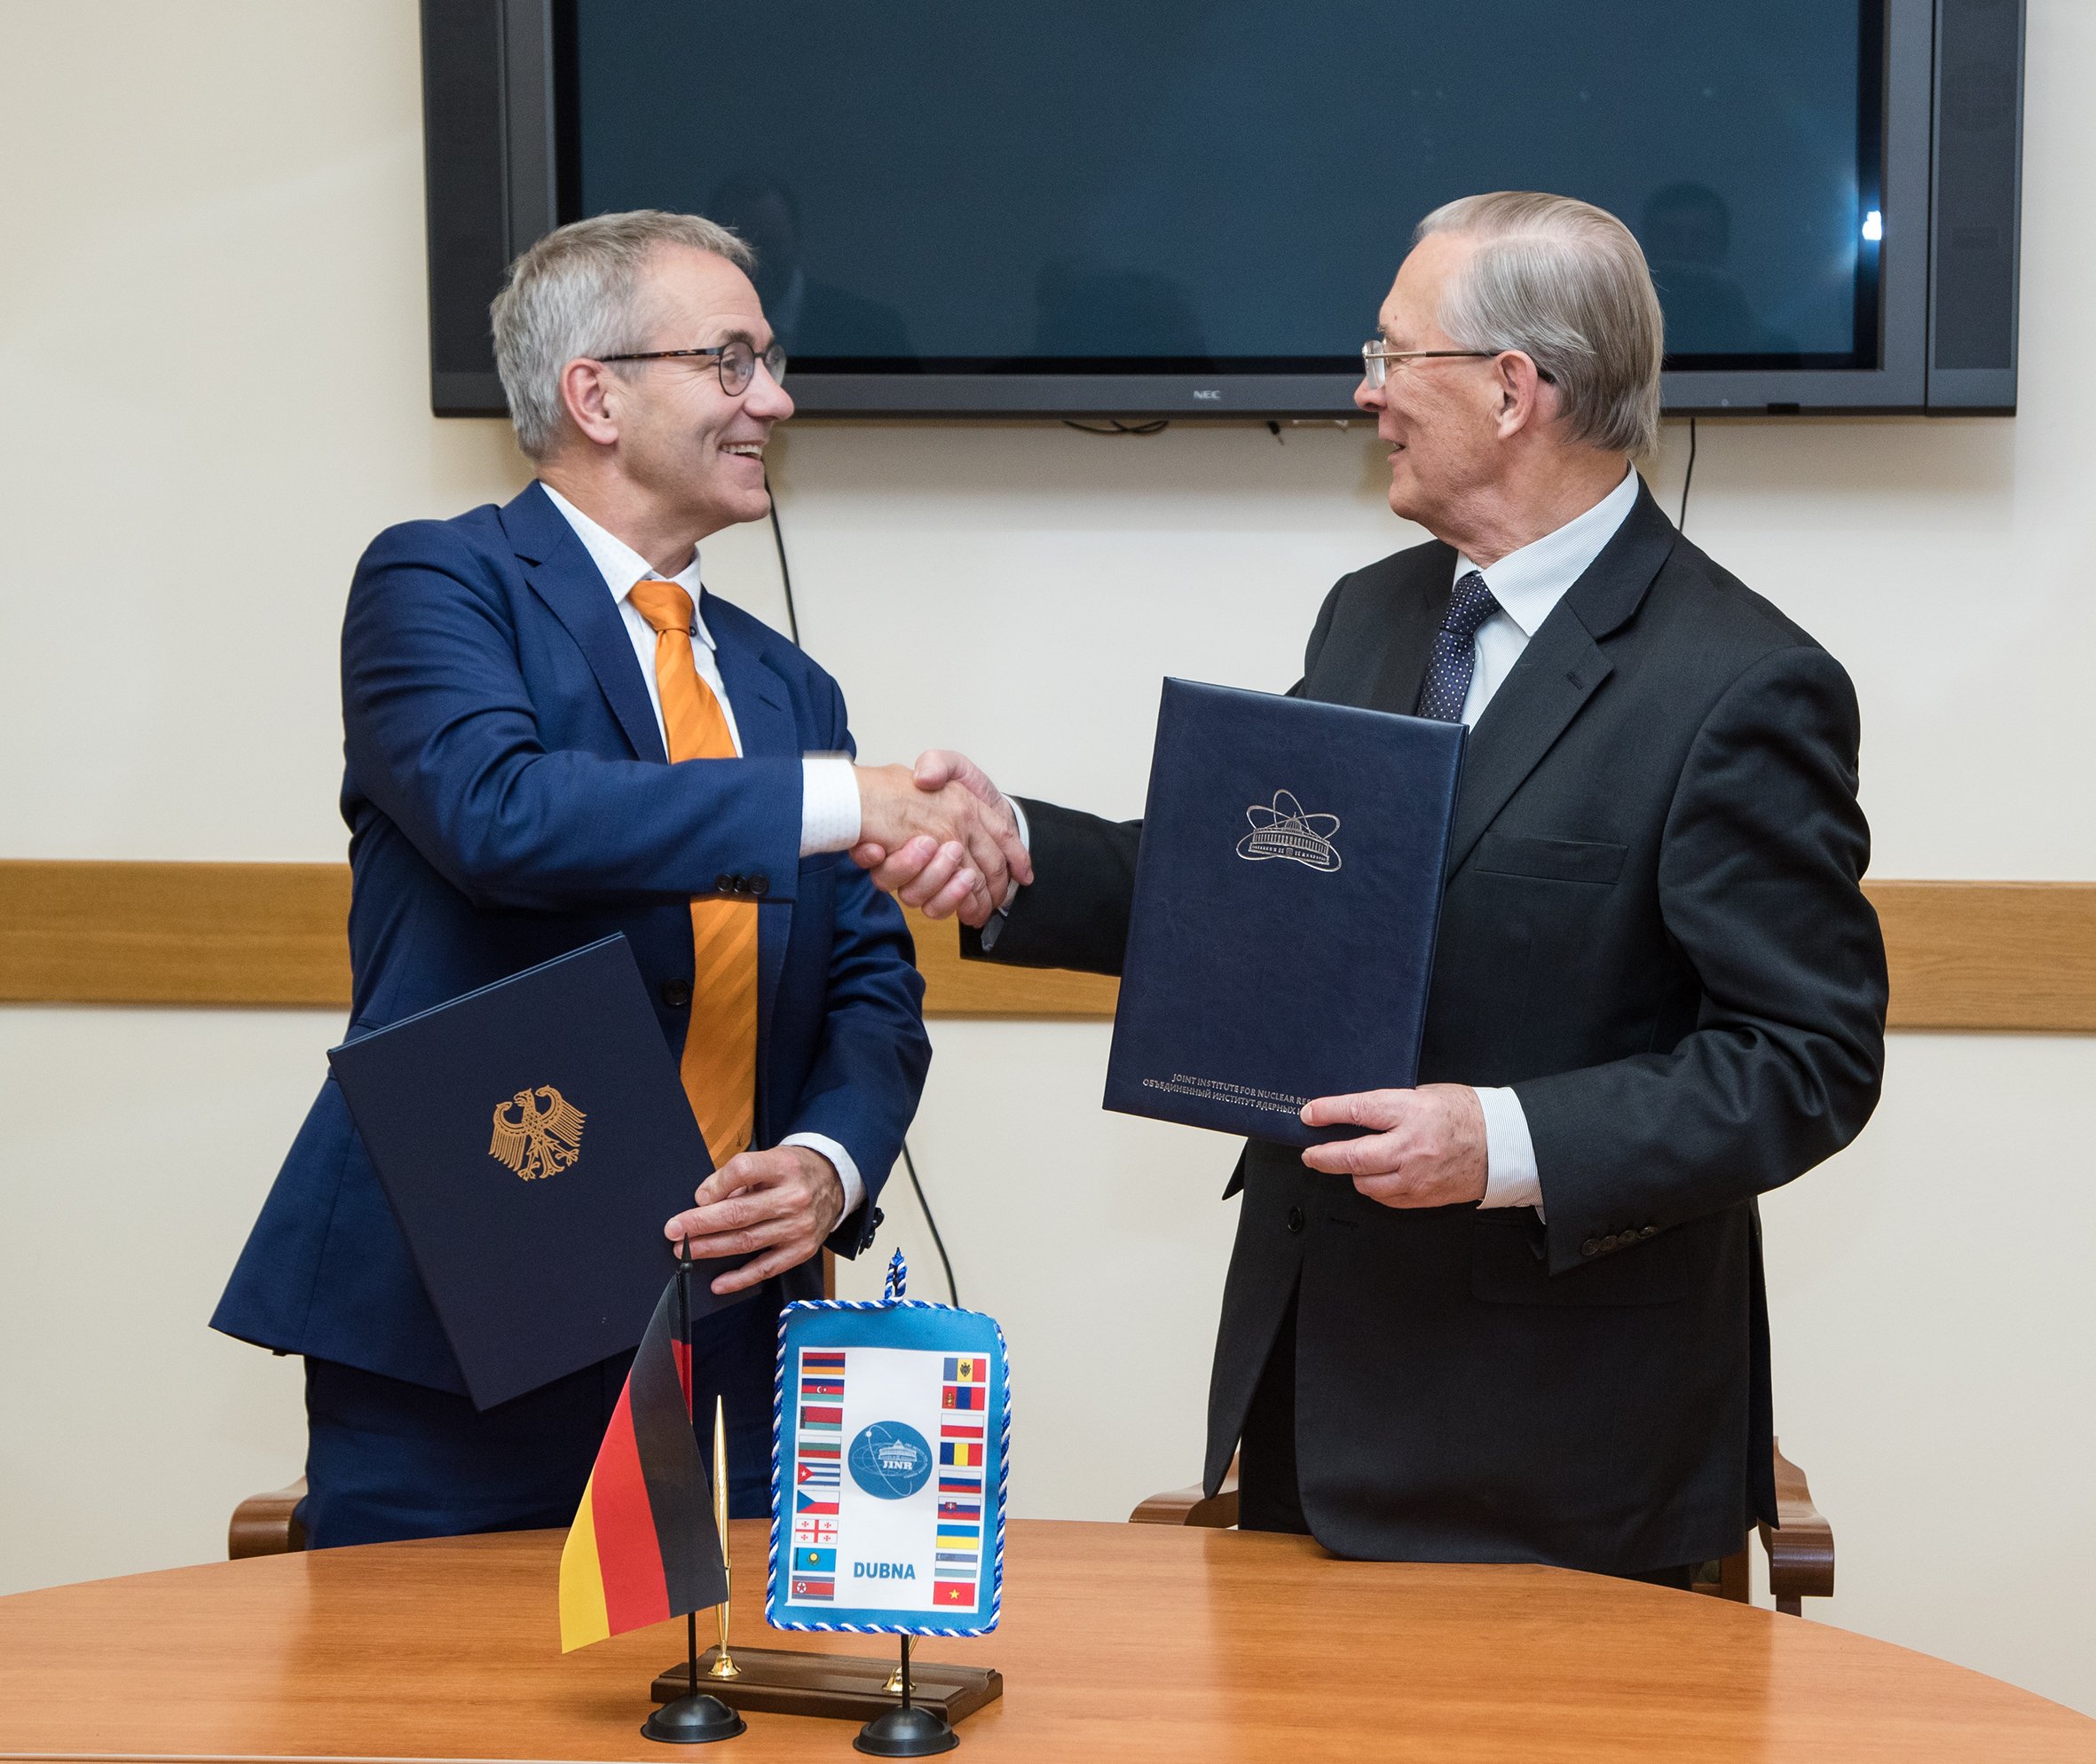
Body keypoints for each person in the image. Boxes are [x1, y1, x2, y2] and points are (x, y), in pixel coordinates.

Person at [856, 193, 1887, 1582]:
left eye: (1396, 355)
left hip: (1567, 1453)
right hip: (1313, 1397)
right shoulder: (1376, 612)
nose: (1366, 391)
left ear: (1513, 389)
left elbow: (1803, 1062)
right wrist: (1008, 850)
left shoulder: (1741, 682)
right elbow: (1253, 883)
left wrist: (1501, 1140)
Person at [211, 210, 1028, 1547]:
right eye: (729, 362)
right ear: (594, 394)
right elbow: (501, 815)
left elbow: (872, 985)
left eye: (767, 363)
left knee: (741, 1673)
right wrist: (848, 797)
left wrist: (828, 1163)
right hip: (470, 1309)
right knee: (432, 1676)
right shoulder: (440, 581)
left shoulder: (787, 686)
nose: (774, 399)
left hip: (738, 1321)